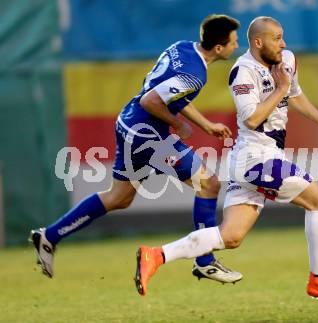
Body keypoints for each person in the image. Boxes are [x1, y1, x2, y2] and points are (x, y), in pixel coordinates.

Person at [133, 16, 318, 302]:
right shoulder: (242, 72)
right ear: (258, 42)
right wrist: (279, 89)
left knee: (231, 237)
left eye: (283, 37)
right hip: (256, 159)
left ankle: (156, 255)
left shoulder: (286, 60)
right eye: (277, 38)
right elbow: (252, 119)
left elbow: (295, 93)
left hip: (255, 159)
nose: (283, 44)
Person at [29, 14, 243, 285]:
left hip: (130, 124)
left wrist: (205, 124)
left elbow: (166, 93)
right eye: (234, 42)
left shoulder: (182, 47)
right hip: (148, 134)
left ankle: (49, 236)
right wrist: (179, 124)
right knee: (209, 184)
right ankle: (205, 261)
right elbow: (151, 100)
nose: (237, 46)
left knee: (119, 197)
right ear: (219, 48)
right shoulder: (195, 75)